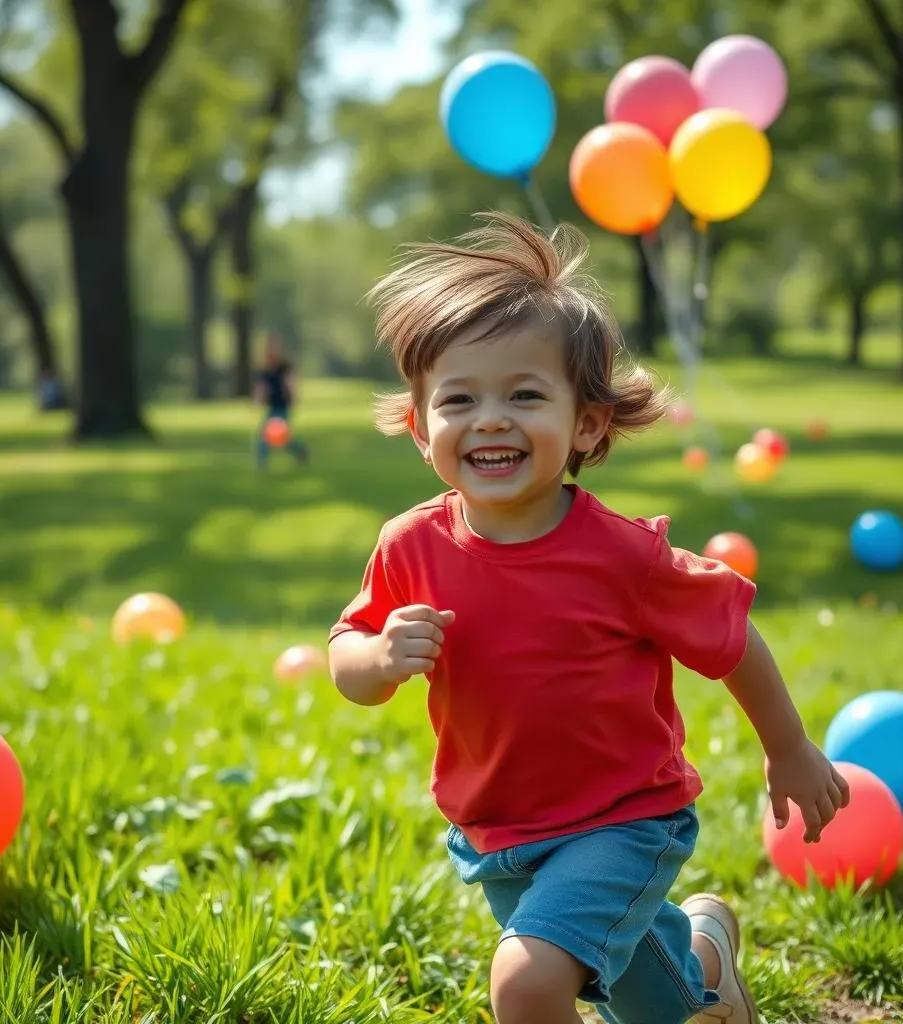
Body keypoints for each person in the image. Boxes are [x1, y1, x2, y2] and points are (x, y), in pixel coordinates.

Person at [327, 213, 850, 1024]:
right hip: (499, 829)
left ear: (588, 423)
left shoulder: (623, 558)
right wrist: (378, 659)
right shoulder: (410, 545)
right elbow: (347, 659)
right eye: (459, 399)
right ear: (419, 427)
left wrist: (788, 748)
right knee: (648, 1004)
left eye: (524, 395)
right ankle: (710, 970)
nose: (490, 418)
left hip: (623, 819)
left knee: (528, 985)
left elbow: (731, 634)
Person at [252, 332, 309, 469]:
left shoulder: (284, 367)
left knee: (277, 437)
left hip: (283, 407)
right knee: (270, 437)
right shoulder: (266, 369)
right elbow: (262, 387)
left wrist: (294, 396)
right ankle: (262, 464)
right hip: (272, 407)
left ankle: (300, 451)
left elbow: (290, 383)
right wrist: (257, 400)